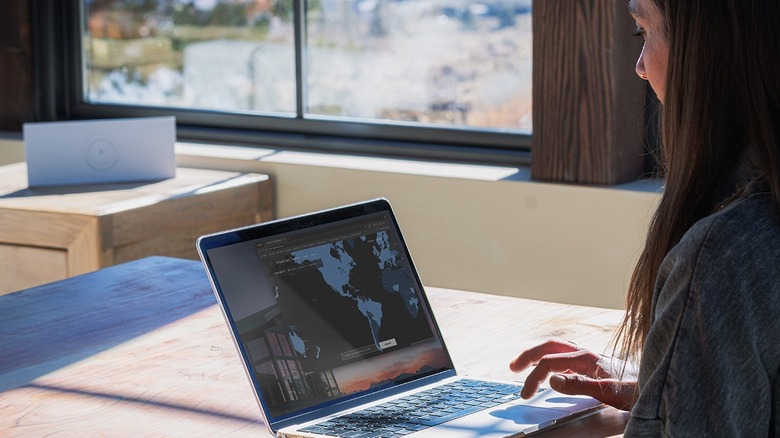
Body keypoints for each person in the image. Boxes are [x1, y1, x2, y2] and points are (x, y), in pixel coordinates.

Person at [509, 0, 780, 435]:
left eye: (643, 32)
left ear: (707, 52)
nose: (639, 66)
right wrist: (663, 381)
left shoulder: (721, 256)